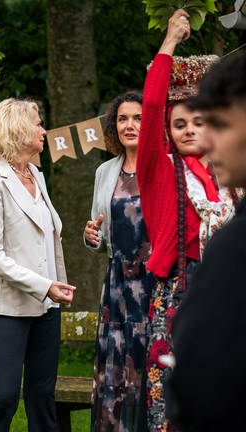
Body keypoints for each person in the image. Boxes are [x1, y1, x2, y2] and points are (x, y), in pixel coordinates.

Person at [136, 10, 238, 432]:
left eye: (199, 121)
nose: (189, 130)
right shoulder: (159, 169)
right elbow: (154, 103)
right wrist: (170, 43)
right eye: (179, 124)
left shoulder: (228, 175)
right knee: (175, 398)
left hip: (228, 289)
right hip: (178, 292)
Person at [0, 98, 76, 431]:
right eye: (37, 123)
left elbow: (44, 241)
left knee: (42, 394)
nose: (43, 130)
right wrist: (44, 285)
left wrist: (54, 286)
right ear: (16, 129)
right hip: (8, 307)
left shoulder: (36, 175)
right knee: (3, 396)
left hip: (47, 306)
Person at [165, 50, 246, 432]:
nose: (206, 140)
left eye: (220, 124)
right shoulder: (168, 172)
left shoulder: (236, 246)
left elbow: (203, 386)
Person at [84, 90, 155, 431]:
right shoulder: (104, 172)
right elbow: (98, 235)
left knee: (147, 364)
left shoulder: (163, 166)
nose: (130, 125)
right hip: (116, 286)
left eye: (138, 118)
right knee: (113, 370)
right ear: (114, 126)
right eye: (123, 118)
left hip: (153, 282)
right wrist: (91, 237)